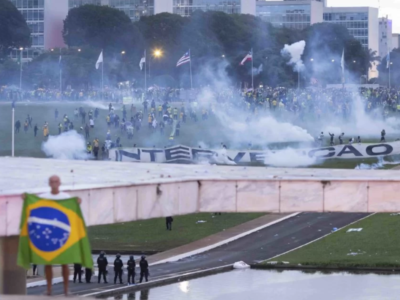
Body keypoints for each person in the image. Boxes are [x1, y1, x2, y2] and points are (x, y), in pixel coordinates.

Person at [32, 175, 81, 296]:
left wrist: (77, 203)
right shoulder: (44, 197)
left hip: (61, 233)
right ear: (49, 183)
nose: (54, 184)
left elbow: (72, 212)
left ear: (59, 183)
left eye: (56, 181)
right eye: (52, 182)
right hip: (48, 233)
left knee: (64, 262)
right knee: (48, 262)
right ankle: (49, 289)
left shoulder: (65, 197)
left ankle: (66, 290)